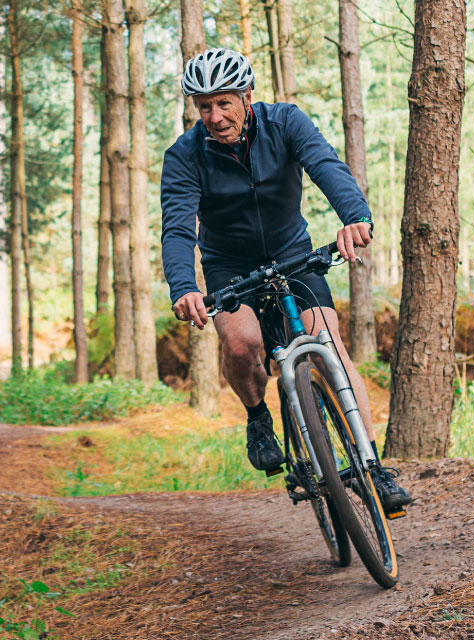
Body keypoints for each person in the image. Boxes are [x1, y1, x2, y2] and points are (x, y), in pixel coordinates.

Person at [159, 47, 412, 515]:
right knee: (241, 345)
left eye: (224, 103)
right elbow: (177, 228)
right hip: (228, 264)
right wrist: (184, 287)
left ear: (247, 95)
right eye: (204, 106)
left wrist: (355, 217)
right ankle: (258, 416)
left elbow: (326, 166)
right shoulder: (184, 156)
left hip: (292, 253)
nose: (214, 117)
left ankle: (371, 465)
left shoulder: (285, 123)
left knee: (329, 346)